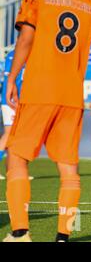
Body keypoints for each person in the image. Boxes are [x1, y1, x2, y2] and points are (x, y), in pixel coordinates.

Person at [3, 0, 91, 242]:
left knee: (16, 158)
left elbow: (25, 38)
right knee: (68, 168)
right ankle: (63, 236)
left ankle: (20, 232)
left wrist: (11, 78)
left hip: (39, 90)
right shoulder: (87, 4)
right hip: (71, 95)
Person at [0, 51, 33, 181]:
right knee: (8, 134)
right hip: (11, 100)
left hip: (27, 101)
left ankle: (18, 171)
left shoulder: (34, 53)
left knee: (24, 137)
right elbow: (10, 78)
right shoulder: (14, 55)